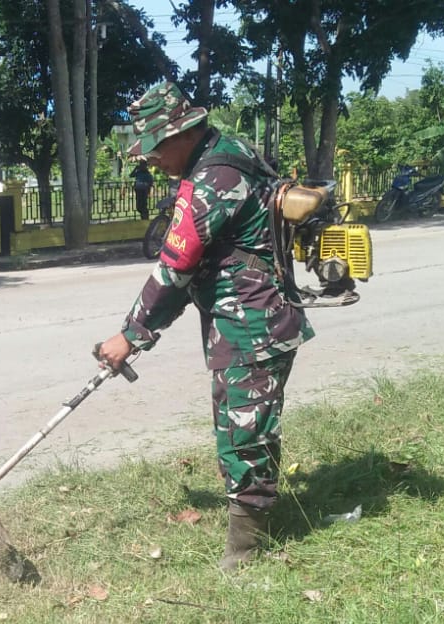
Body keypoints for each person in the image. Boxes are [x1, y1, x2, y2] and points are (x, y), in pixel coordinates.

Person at [95, 81, 313, 572]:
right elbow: (191, 268)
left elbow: (175, 265)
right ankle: (251, 527)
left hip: (253, 323)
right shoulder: (226, 152)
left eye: (153, 148)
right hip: (247, 318)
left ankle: (246, 552)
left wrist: (130, 334)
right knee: (240, 427)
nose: (149, 160)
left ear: (182, 133)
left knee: (244, 433)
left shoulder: (214, 177)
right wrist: (143, 333)